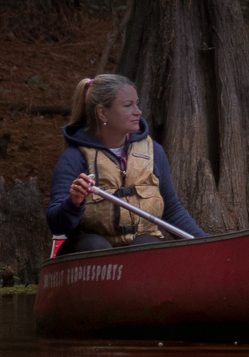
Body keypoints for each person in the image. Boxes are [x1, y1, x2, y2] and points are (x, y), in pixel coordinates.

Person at [46, 72, 201, 251]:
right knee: (96, 246)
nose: (138, 111)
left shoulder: (154, 151)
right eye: (128, 105)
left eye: (137, 104)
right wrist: (73, 203)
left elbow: (172, 211)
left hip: (139, 252)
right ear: (103, 113)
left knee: (147, 245)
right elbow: (56, 225)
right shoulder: (74, 157)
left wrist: (209, 245)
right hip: (90, 252)